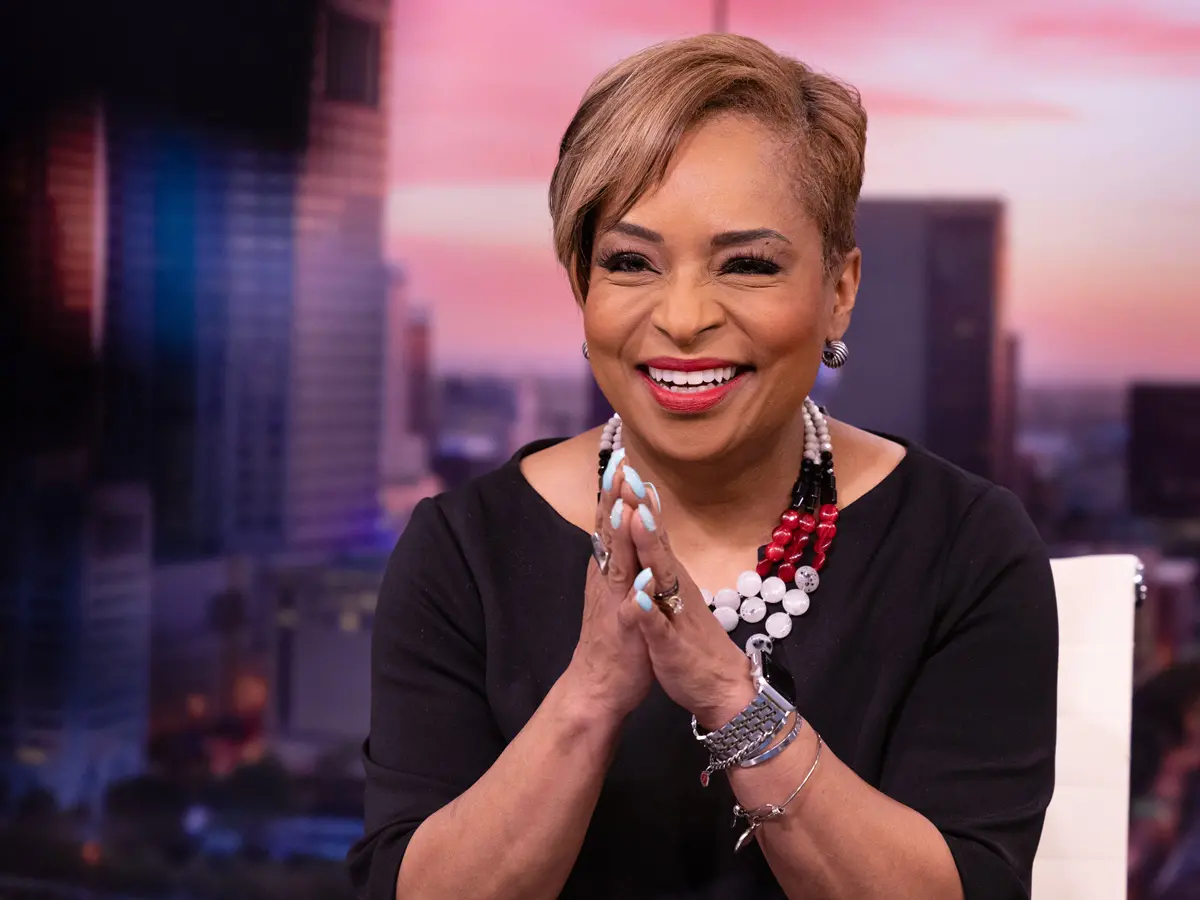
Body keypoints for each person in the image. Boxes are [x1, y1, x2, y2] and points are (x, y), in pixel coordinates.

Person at [347, 33, 1057, 900]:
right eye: (630, 263)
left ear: (839, 289)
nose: (683, 318)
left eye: (748, 264)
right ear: (582, 288)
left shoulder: (965, 545)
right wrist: (593, 692)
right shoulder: (461, 549)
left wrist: (730, 697)